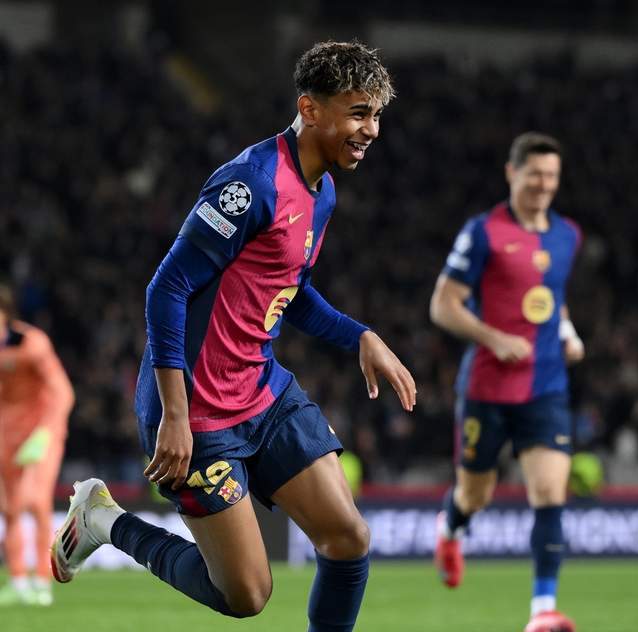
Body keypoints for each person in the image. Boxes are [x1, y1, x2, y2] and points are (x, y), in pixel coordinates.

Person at [51, 41, 416, 630]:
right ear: (311, 108)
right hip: (198, 410)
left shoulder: (323, 192)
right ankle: (103, 520)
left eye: (375, 115)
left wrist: (360, 336)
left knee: (348, 538)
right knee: (246, 595)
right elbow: (166, 288)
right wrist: (176, 415)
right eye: (358, 113)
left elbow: (289, 290)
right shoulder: (250, 184)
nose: (371, 129)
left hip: (263, 391)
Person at [430, 132, 583, 632]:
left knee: (550, 491)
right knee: (475, 495)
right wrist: (493, 339)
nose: (544, 184)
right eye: (535, 174)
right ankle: (451, 527)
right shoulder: (483, 232)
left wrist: (567, 332)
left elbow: (551, 296)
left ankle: (542, 610)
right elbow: (443, 305)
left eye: (551, 175)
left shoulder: (568, 235)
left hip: (546, 386)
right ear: (512, 173)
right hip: (488, 389)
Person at [0, 284, 74, 606]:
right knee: (9, 509)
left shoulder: (32, 344)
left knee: (35, 502)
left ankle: (42, 581)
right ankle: (18, 581)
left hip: (41, 435)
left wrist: (44, 434)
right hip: (5, 434)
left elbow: (63, 392)